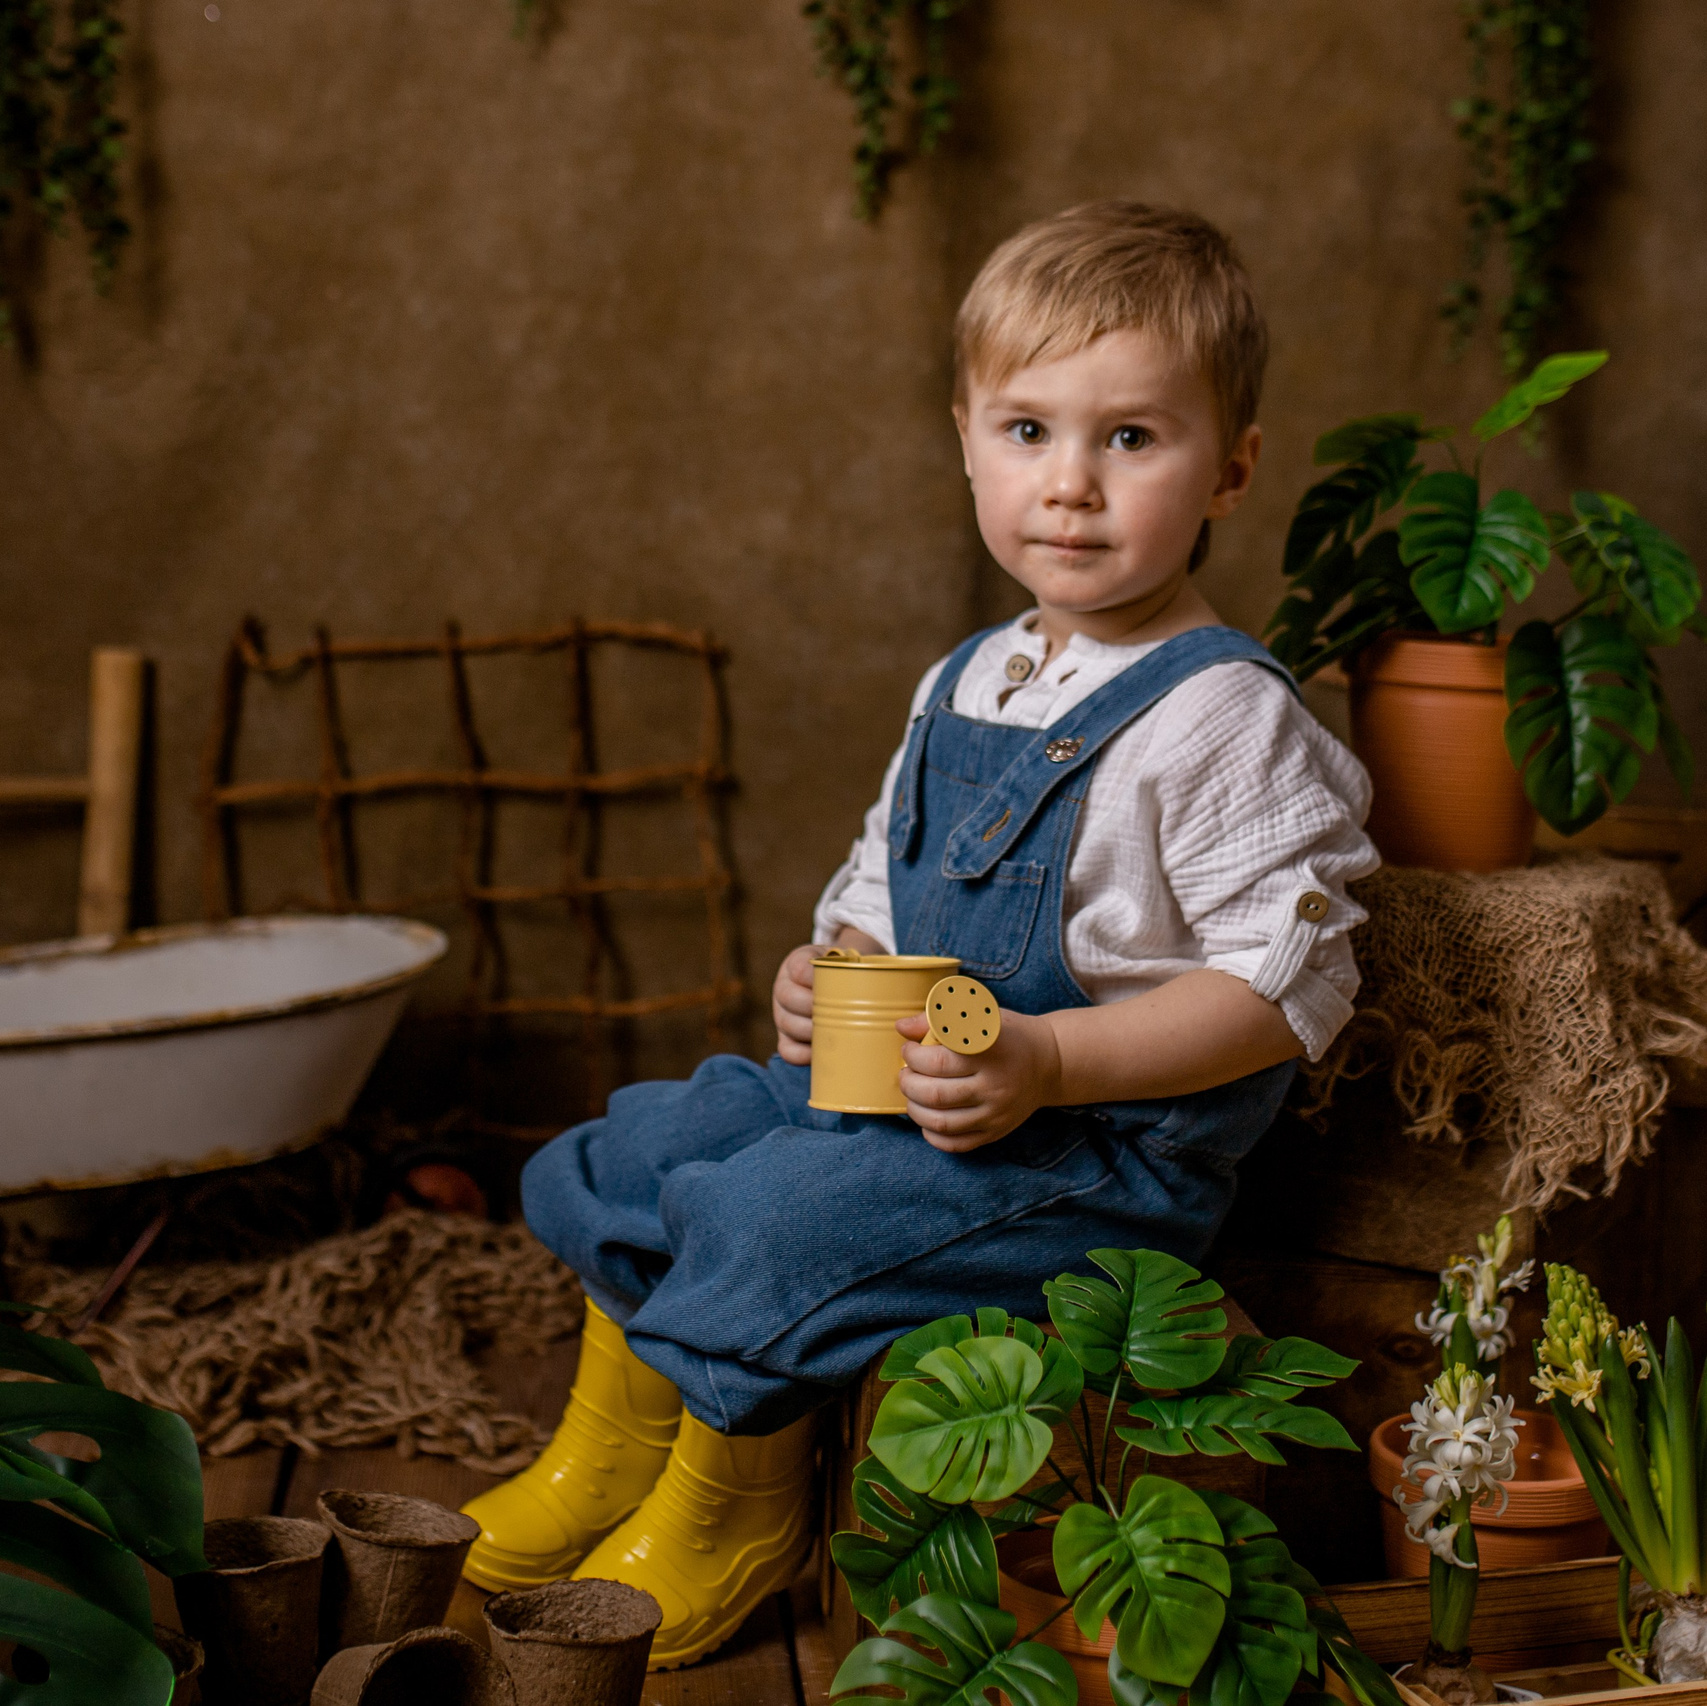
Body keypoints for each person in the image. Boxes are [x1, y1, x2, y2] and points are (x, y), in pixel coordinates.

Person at [460, 200, 1380, 1668]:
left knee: (775, 1219)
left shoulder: (1224, 717)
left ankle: (734, 1504)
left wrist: (1052, 1059)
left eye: (1131, 440)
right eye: (1027, 430)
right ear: (964, 437)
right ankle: (606, 1459)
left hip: (1085, 1155)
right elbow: (879, 891)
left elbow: (1282, 986)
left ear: (1233, 470)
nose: (1069, 487)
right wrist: (817, 974)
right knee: (644, 1142)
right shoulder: (970, 677)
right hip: (906, 1093)